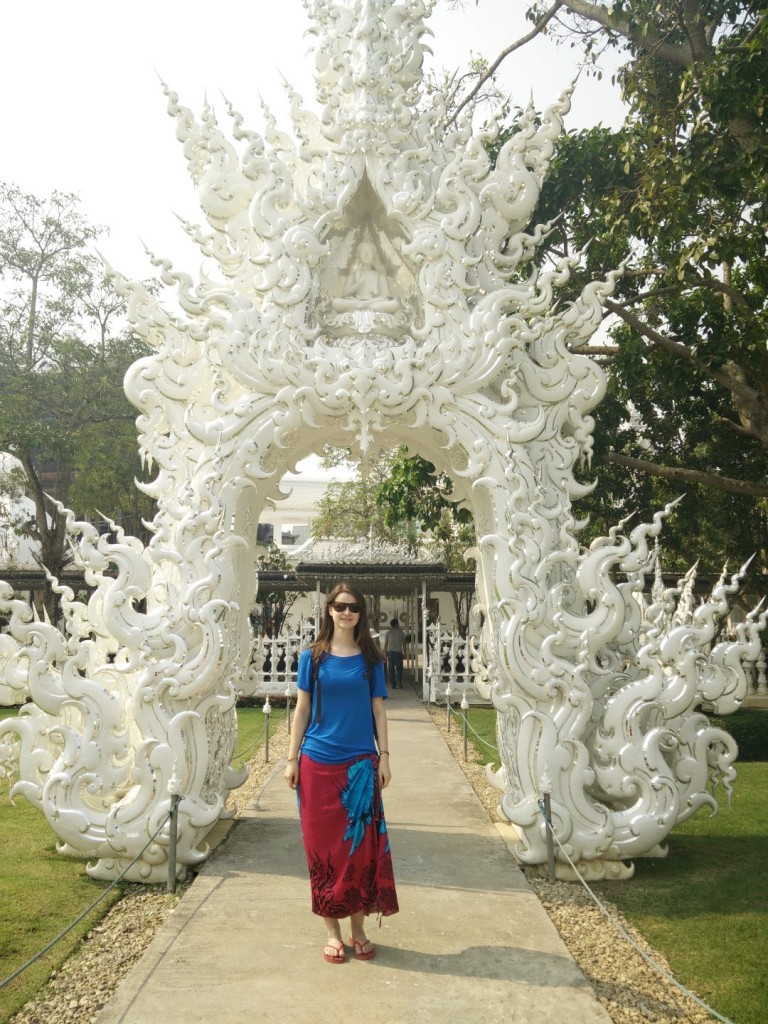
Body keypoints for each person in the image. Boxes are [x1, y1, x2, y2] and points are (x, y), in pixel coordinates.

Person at [284, 582, 398, 964]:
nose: (346, 612)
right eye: (339, 606)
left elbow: (379, 711)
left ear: (361, 614)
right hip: (316, 764)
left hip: (361, 766)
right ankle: (331, 931)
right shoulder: (311, 658)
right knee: (324, 852)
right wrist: (291, 758)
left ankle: (358, 928)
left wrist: (384, 755)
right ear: (329, 610)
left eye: (353, 607)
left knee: (359, 853)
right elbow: (302, 711)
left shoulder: (371, 659)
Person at [384, 618, 406, 689]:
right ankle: (399, 680)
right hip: (398, 653)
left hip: (390, 653)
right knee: (399, 668)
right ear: (396, 624)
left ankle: (393, 684)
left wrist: (385, 653)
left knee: (391, 669)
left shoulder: (388, 633)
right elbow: (404, 644)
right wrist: (404, 653)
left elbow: (386, 644)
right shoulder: (401, 633)